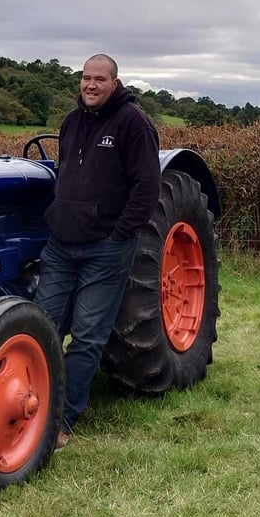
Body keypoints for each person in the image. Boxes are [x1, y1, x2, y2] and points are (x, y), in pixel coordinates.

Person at [34, 54, 161, 450]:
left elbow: (147, 187)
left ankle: (61, 420)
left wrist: (119, 233)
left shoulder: (133, 124)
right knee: (42, 326)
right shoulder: (72, 122)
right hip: (61, 244)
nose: (91, 85)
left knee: (88, 336)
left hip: (105, 248)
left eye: (99, 79)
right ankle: (31, 408)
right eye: (86, 78)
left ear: (115, 82)